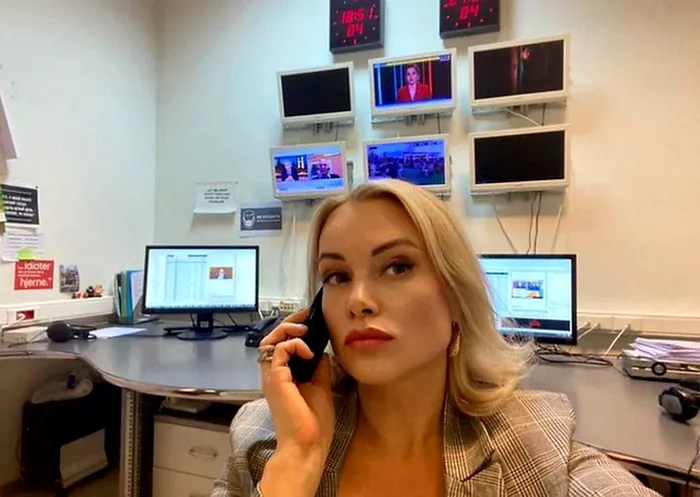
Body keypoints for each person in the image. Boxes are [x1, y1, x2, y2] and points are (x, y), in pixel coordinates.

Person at [212, 180, 660, 497]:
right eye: (337, 276)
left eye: (397, 267)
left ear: (456, 296)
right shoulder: (264, 438)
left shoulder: (540, 448)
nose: (358, 301)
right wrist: (298, 460)